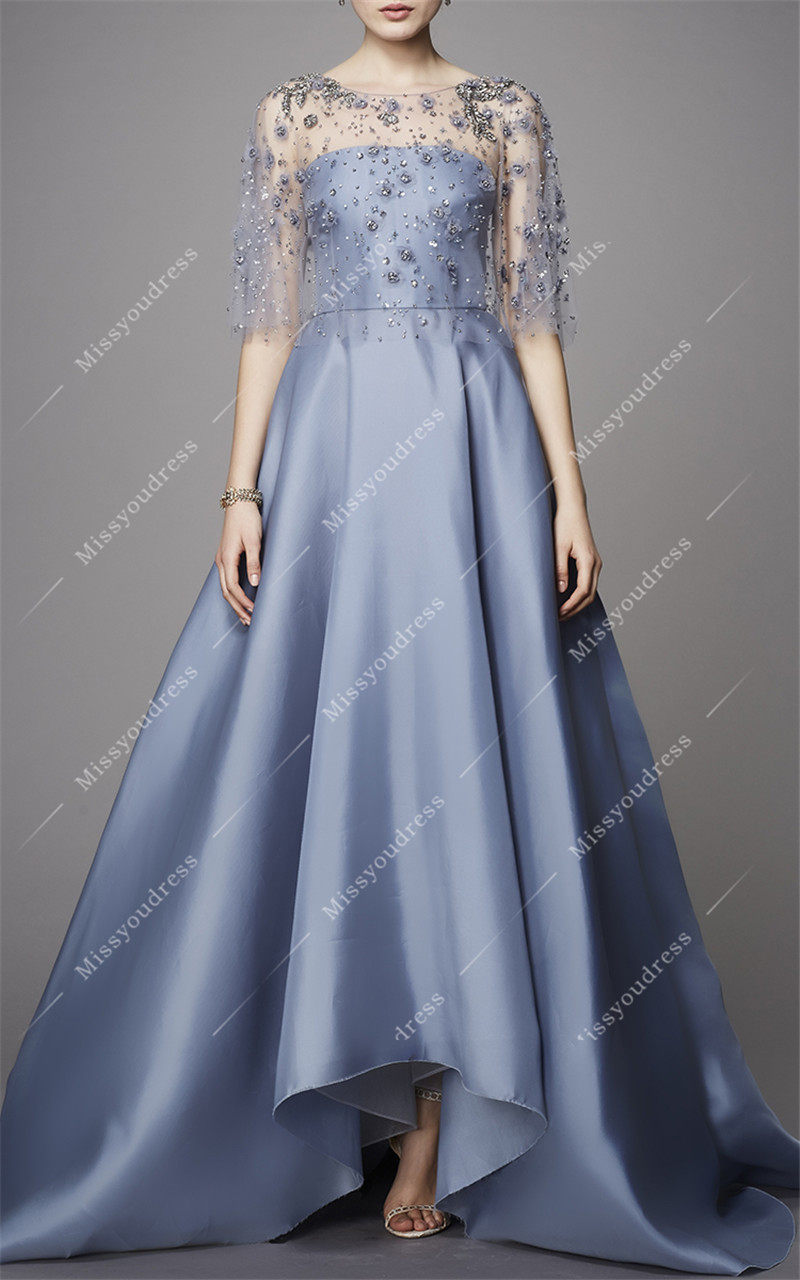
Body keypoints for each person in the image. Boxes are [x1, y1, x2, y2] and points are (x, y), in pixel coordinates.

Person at [1, 0, 797, 1267]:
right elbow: (270, 321)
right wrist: (240, 490)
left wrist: (569, 493)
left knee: (463, 758)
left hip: (471, 447)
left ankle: (434, 1117)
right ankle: (324, 1089)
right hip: (331, 443)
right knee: (333, 756)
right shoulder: (290, 113)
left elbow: (531, 318)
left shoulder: (505, 111)